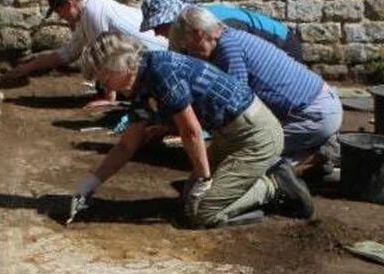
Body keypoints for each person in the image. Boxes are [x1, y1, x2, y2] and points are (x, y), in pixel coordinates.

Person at [68, 31, 314, 228]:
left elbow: (191, 132)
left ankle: (273, 186)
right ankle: (248, 184)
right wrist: (91, 183)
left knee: (201, 213)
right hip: (230, 135)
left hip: (255, 135)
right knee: (187, 203)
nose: (102, 84)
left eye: (103, 77)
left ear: (119, 68)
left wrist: (204, 179)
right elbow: (126, 145)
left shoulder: (160, 73)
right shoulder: (141, 84)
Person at [168, 5, 341, 171]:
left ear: (199, 35)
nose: (192, 54)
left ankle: (316, 155)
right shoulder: (232, 37)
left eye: (189, 48)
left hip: (314, 114)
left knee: (243, 157)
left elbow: (236, 108)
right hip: (321, 106)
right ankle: (311, 151)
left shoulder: (228, 49)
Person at [1, 0, 165, 84]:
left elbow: (107, 57)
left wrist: (108, 99)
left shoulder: (94, 11)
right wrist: (30, 66)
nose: (60, 17)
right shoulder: (85, 14)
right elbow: (67, 54)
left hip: (158, 59)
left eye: (59, 11)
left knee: (102, 78)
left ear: (70, 3)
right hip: (142, 61)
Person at [139, 0, 304, 62]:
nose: (155, 33)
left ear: (172, 19)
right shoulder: (184, 34)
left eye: (158, 26)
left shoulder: (216, 24)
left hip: (282, 44)